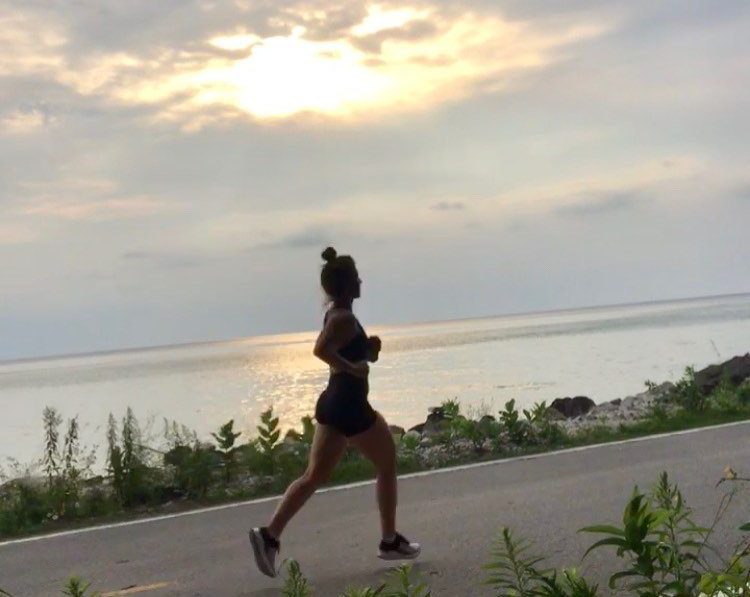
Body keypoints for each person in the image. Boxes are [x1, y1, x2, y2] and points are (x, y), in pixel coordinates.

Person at [249, 247, 420, 578]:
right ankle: (388, 540)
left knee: (314, 476)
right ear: (346, 285)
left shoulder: (340, 315)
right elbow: (321, 350)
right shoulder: (341, 318)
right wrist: (351, 369)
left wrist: (367, 351)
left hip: (335, 404)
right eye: (356, 277)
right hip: (350, 405)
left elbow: (342, 350)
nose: (361, 281)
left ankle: (268, 535)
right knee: (387, 463)